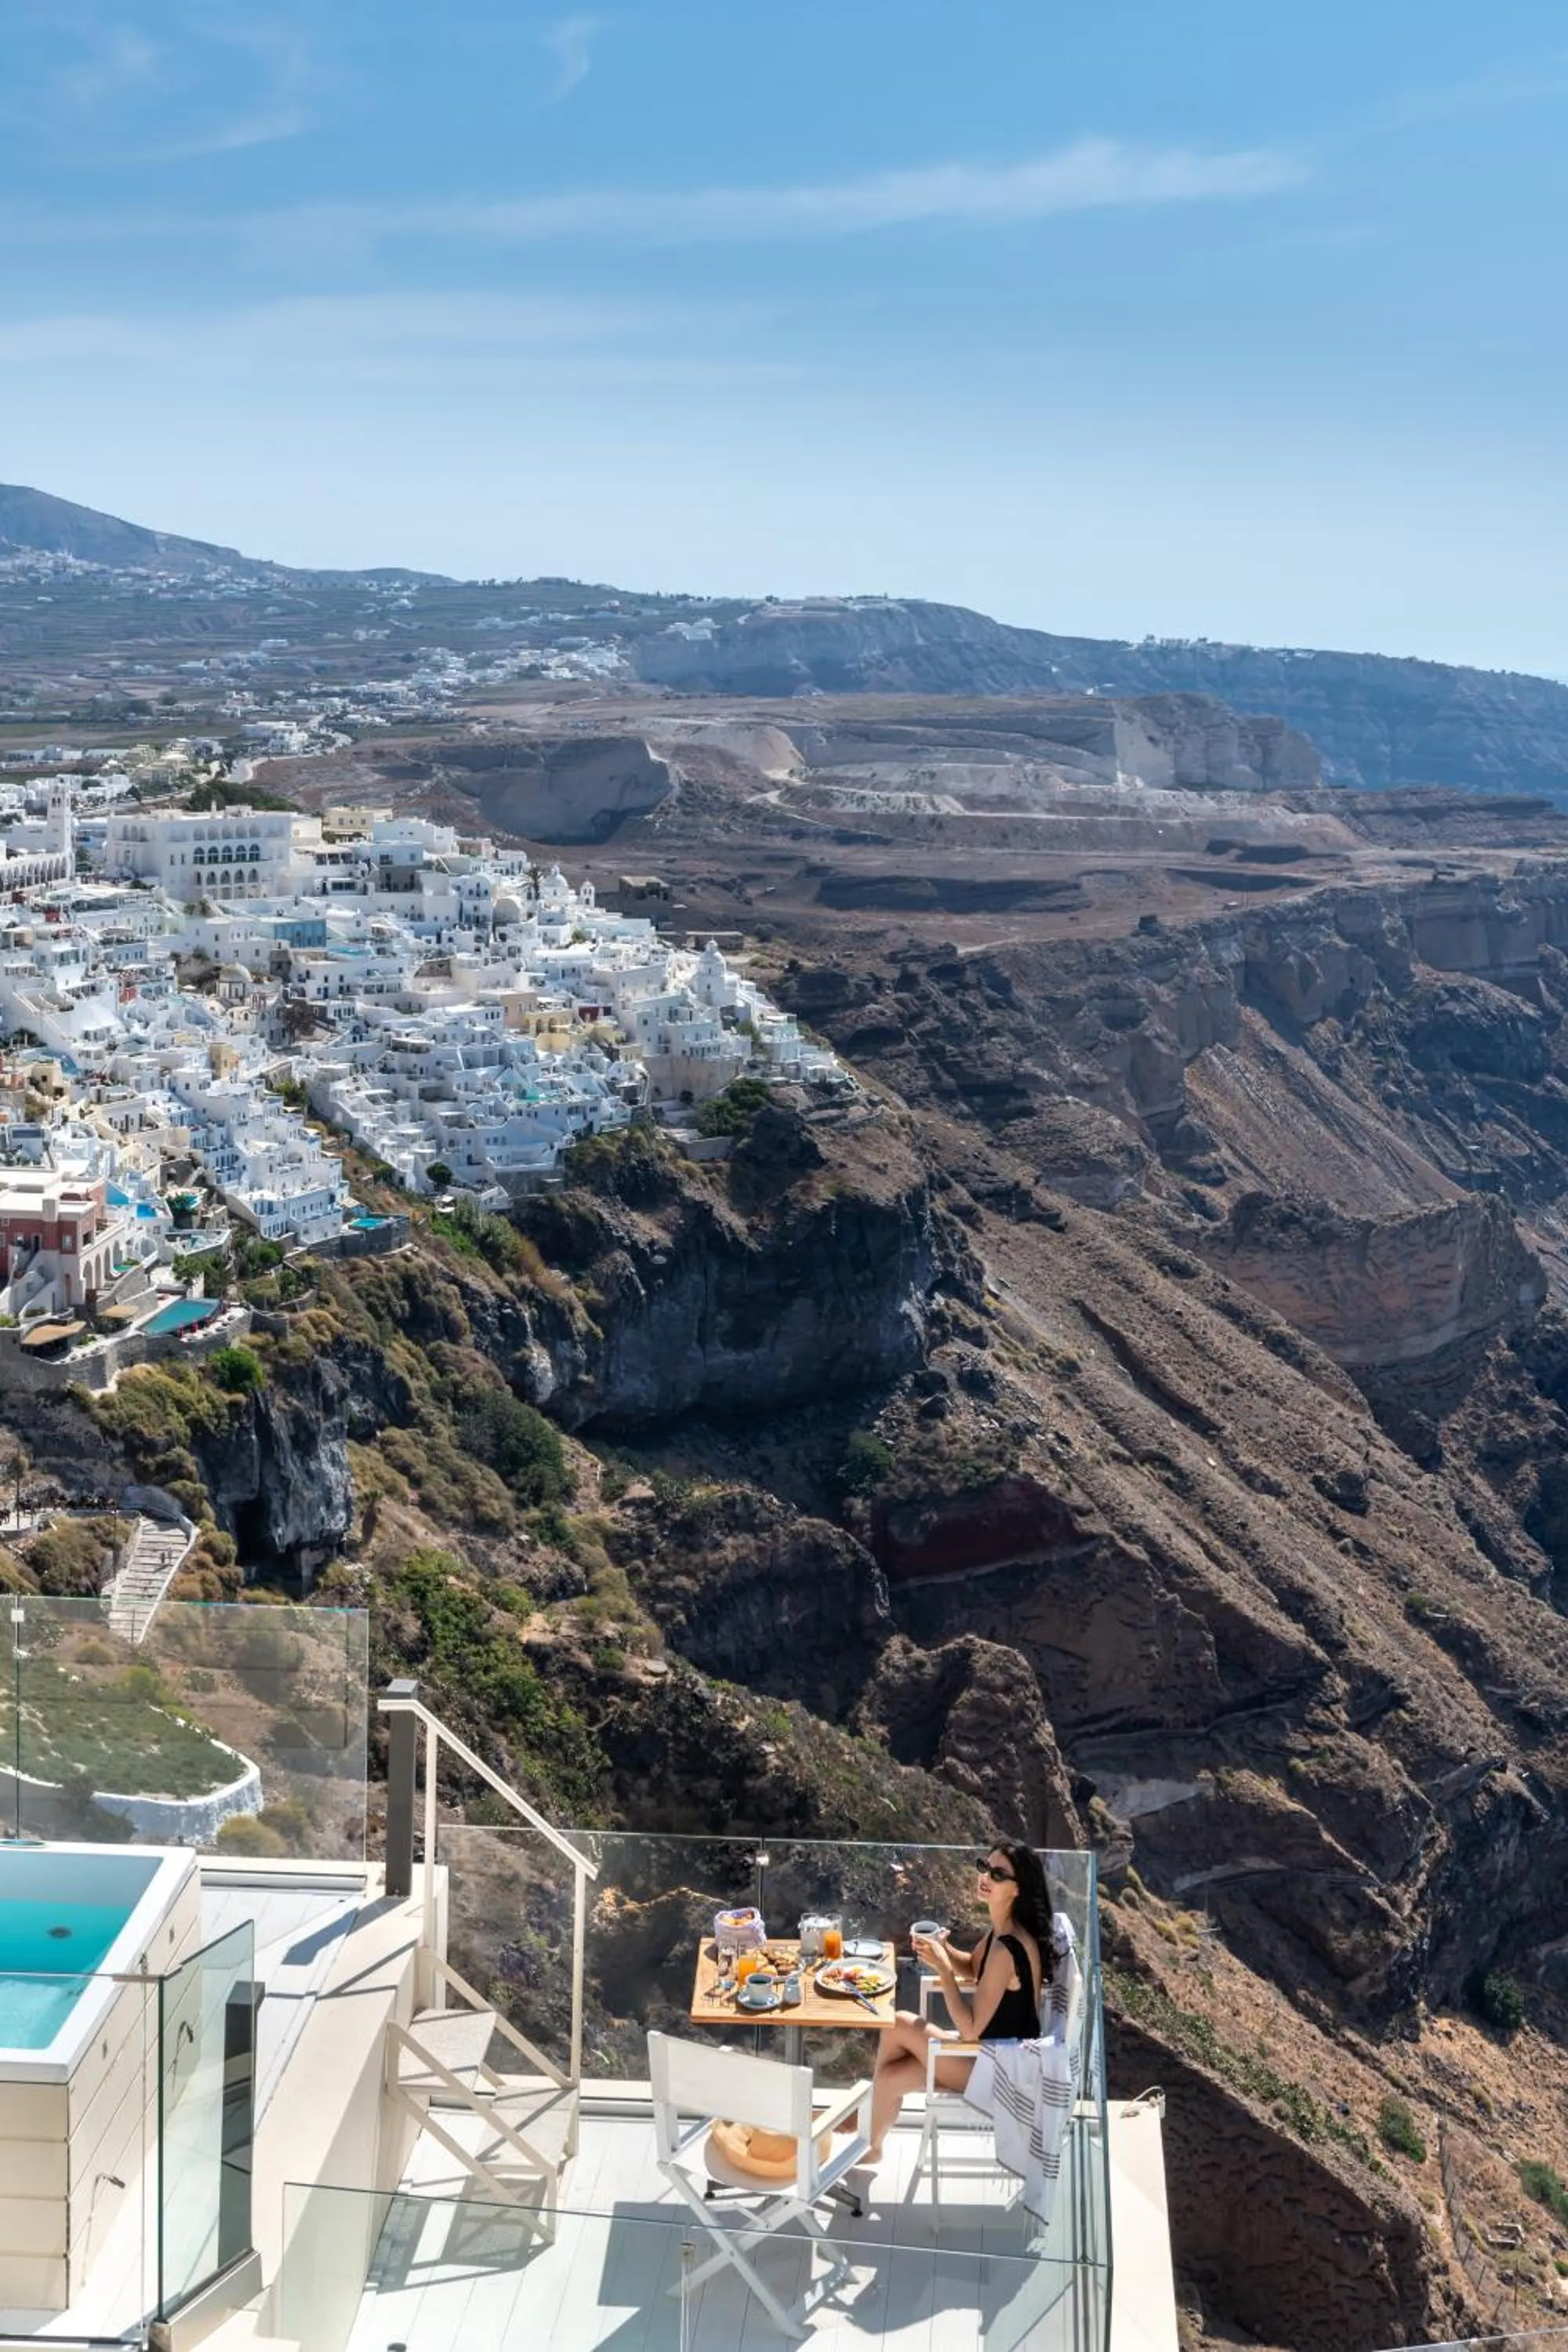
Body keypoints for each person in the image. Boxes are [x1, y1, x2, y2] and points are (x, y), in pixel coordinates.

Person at [864, 1842, 1054, 2164]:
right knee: (888, 2079)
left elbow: (969, 2031)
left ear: (1017, 1889)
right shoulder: (1004, 1931)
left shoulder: (1008, 1947)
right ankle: (872, 2146)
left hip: (999, 2072)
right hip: (990, 2056)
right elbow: (972, 1966)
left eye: (998, 1874)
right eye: (984, 1867)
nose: (986, 1877)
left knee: (898, 2024)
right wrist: (945, 1948)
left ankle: (868, 2135)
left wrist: (942, 1968)